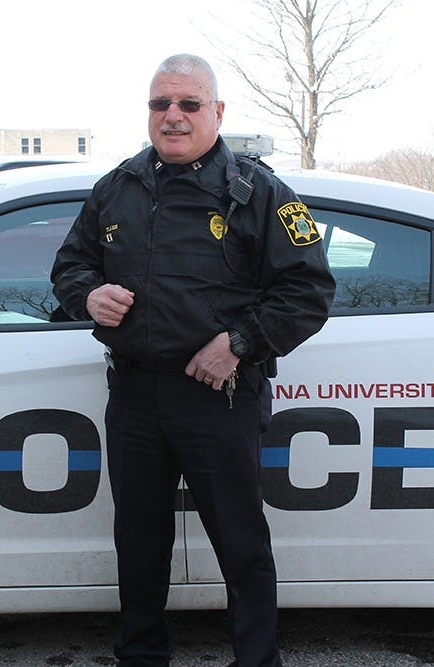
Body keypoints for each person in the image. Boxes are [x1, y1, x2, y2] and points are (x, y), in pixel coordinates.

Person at [51, 54, 335, 666]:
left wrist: (238, 343)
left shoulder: (260, 194)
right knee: (138, 542)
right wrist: (87, 294)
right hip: (135, 397)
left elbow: (309, 291)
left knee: (241, 544)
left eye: (188, 104)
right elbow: (70, 266)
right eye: (160, 104)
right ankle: (142, 657)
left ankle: (257, 661)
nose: (172, 117)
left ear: (217, 112)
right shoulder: (117, 188)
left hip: (218, 399)